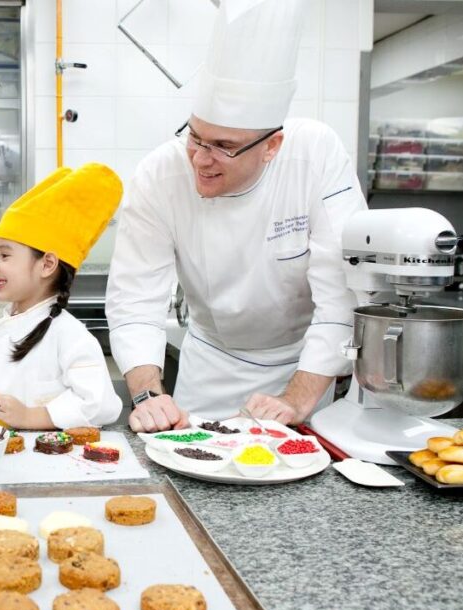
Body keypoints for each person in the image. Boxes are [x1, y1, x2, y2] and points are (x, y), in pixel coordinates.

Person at [106, 0, 366, 431]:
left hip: (306, 365)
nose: (201, 160)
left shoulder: (316, 155)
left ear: (272, 146)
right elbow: (135, 299)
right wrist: (149, 396)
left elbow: (341, 295)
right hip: (211, 367)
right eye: (195, 137)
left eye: (224, 146)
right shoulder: (161, 173)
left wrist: (298, 399)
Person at [0, 163, 123, 430]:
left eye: (5, 255)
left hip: (53, 464)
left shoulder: (69, 335)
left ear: (46, 265)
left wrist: (32, 417)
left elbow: (100, 403)